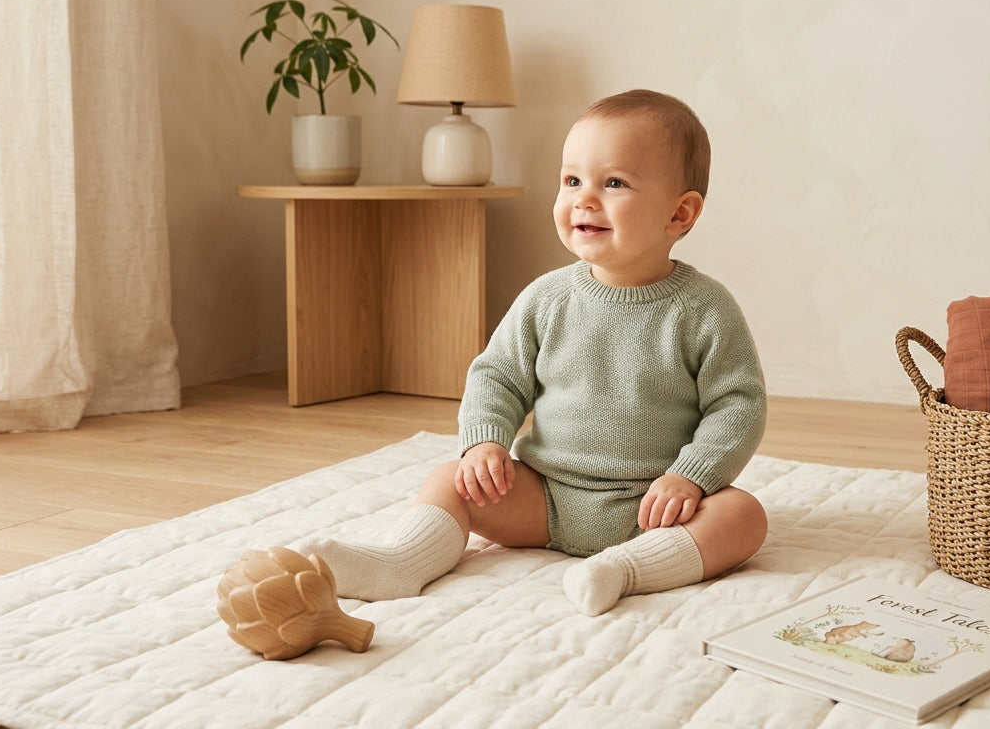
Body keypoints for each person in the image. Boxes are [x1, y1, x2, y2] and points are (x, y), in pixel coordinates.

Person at [300, 89, 769, 616]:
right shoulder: (546, 297)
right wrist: (484, 443)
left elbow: (738, 405)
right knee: (448, 480)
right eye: (572, 180)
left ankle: (625, 569)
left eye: (613, 183)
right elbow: (497, 377)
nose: (583, 200)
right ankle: (401, 560)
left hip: (657, 506)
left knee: (743, 516)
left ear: (679, 213)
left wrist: (693, 476)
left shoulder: (704, 308)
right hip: (545, 497)